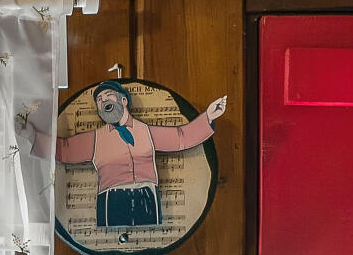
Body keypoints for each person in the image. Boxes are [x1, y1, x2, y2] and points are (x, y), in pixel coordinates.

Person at [47, 82, 228, 234]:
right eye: (99, 100)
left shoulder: (146, 131)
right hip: (112, 199)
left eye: (108, 95)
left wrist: (209, 116)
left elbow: (181, 136)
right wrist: (30, 137)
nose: (103, 101)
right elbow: (64, 149)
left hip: (147, 196)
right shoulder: (95, 138)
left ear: (123, 100)